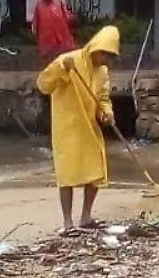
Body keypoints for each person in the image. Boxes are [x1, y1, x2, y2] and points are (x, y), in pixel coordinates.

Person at [35, 25, 119, 229]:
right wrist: (61, 68)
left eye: (110, 56)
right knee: (67, 174)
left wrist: (106, 113)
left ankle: (86, 216)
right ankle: (67, 222)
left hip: (89, 126)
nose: (106, 60)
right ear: (96, 48)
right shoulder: (68, 60)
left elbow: (103, 99)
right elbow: (43, 84)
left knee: (96, 169)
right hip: (67, 127)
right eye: (105, 55)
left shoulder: (102, 72)